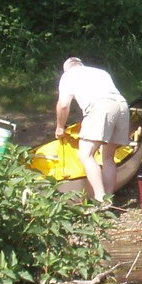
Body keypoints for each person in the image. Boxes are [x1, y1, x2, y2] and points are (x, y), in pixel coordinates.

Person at [55, 57, 129, 203]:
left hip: (101, 106)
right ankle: (109, 199)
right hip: (122, 106)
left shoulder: (68, 75)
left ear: (67, 68)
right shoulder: (100, 72)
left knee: (86, 155)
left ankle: (100, 198)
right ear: (81, 65)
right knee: (108, 157)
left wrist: (59, 127)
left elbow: (63, 105)